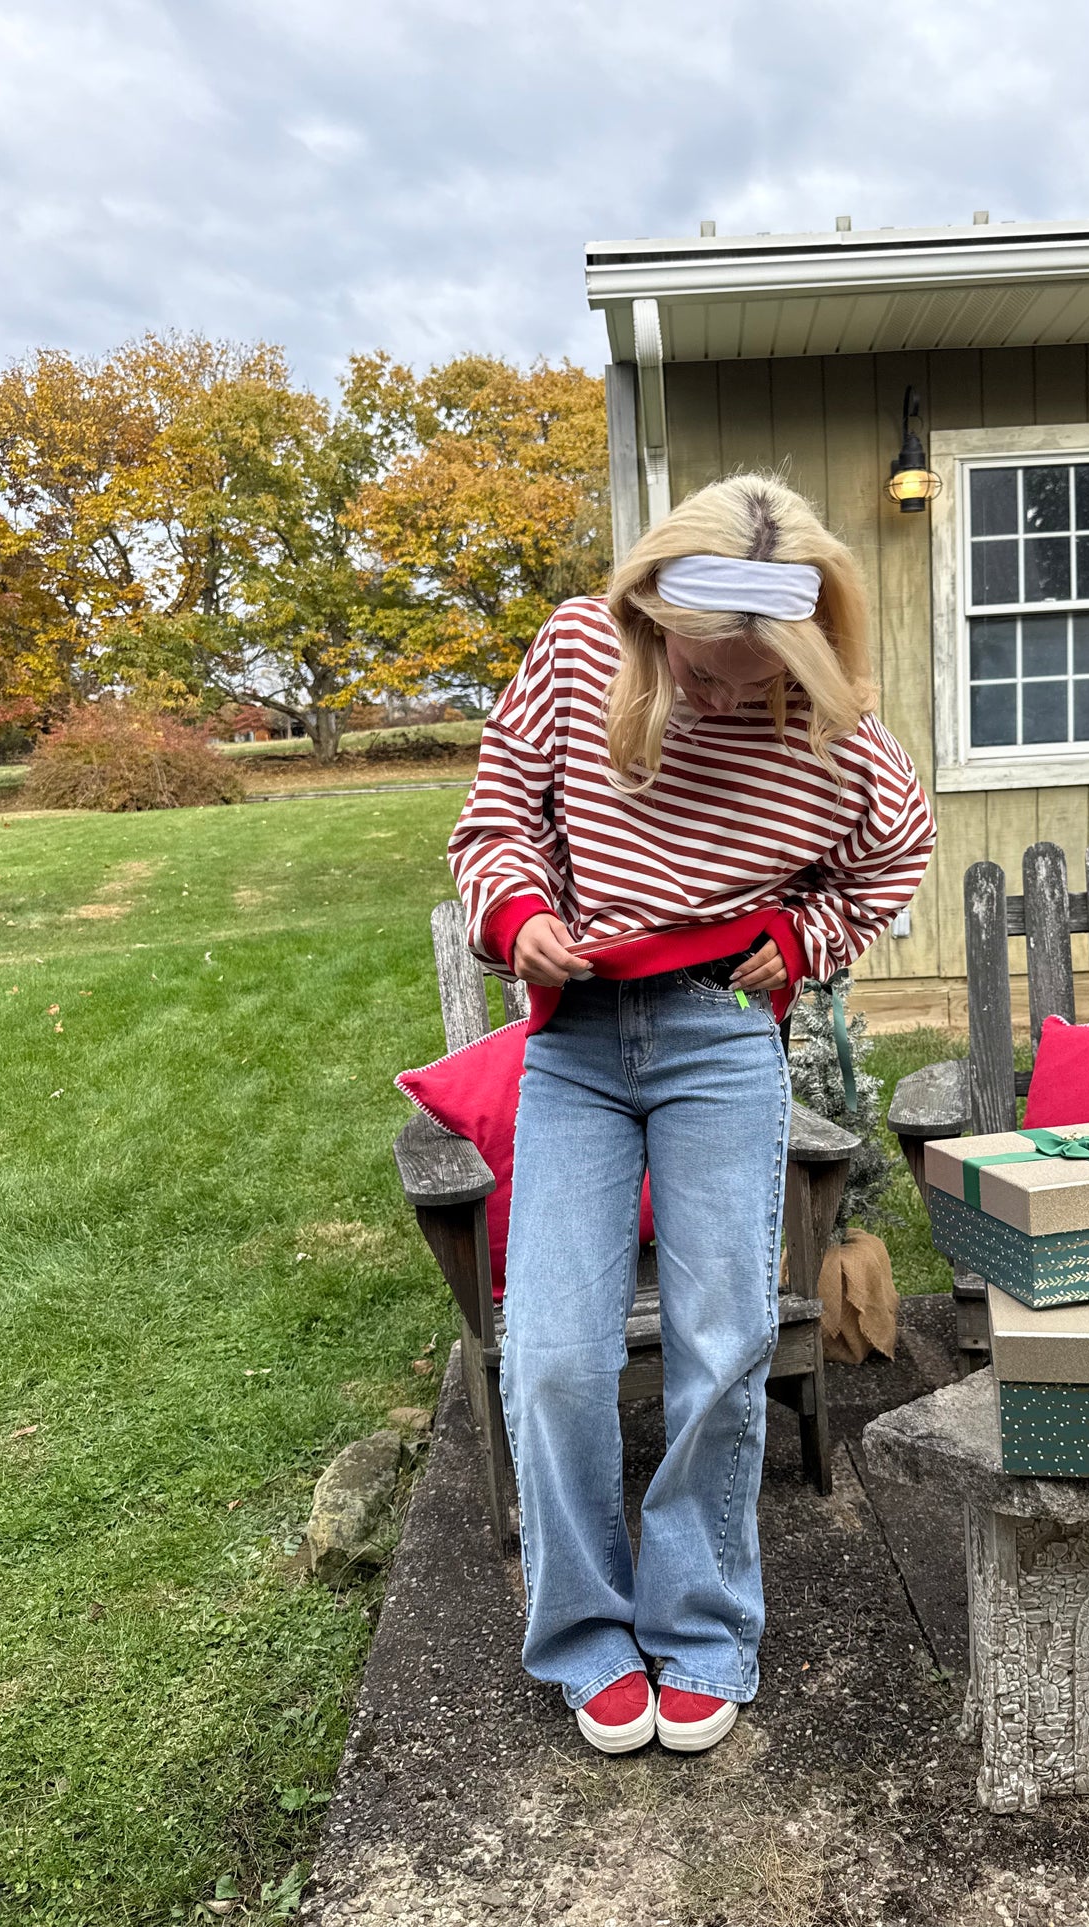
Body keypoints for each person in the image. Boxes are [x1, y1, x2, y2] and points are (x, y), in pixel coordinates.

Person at [446, 473, 936, 1756]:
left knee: (721, 1343)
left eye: (740, 676)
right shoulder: (574, 652)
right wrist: (516, 915)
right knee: (552, 1351)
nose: (709, 697)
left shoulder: (836, 733)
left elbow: (897, 856)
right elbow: (494, 821)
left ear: (800, 646)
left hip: (723, 1039)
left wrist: (801, 933)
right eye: (689, 660)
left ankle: (703, 1626)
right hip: (579, 1046)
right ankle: (584, 1633)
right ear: (645, 609)